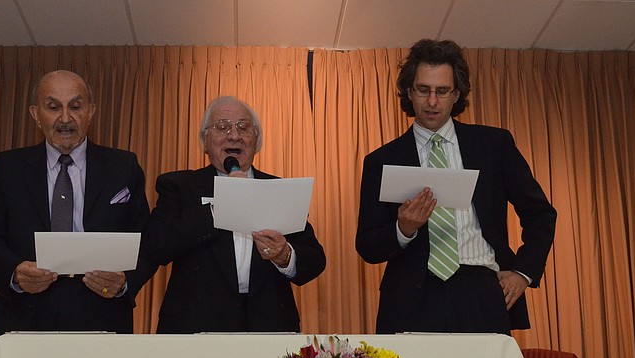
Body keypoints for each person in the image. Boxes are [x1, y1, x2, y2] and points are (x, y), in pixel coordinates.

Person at [356, 40, 556, 334]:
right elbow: (368, 246)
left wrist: (522, 273)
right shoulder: (382, 160)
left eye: (442, 91)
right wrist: (403, 229)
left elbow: (540, 213)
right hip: (410, 299)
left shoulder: (494, 145)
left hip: (482, 291)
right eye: (423, 90)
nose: (432, 101)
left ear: (457, 94)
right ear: (409, 92)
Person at [0, 70, 155, 339]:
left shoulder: (123, 167)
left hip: (102, 318)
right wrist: (16, 273)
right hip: (24, 319)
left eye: (75, 106)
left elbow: (147, 240)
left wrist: (125, 281)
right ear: (36, 114)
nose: (65, 118)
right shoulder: (8, 168)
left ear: (91, 111)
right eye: (53, 107)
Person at [144, 96, 326, 333]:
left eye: (243, 127)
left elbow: (314, 259)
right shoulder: (180, 186)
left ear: (256, 140)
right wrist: (220, 205)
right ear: (204, 141)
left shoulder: (277, 189)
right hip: (196, 327)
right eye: (222, 127)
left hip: (268, 327)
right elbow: (157, 244)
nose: (234, 135)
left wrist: (285, 256)